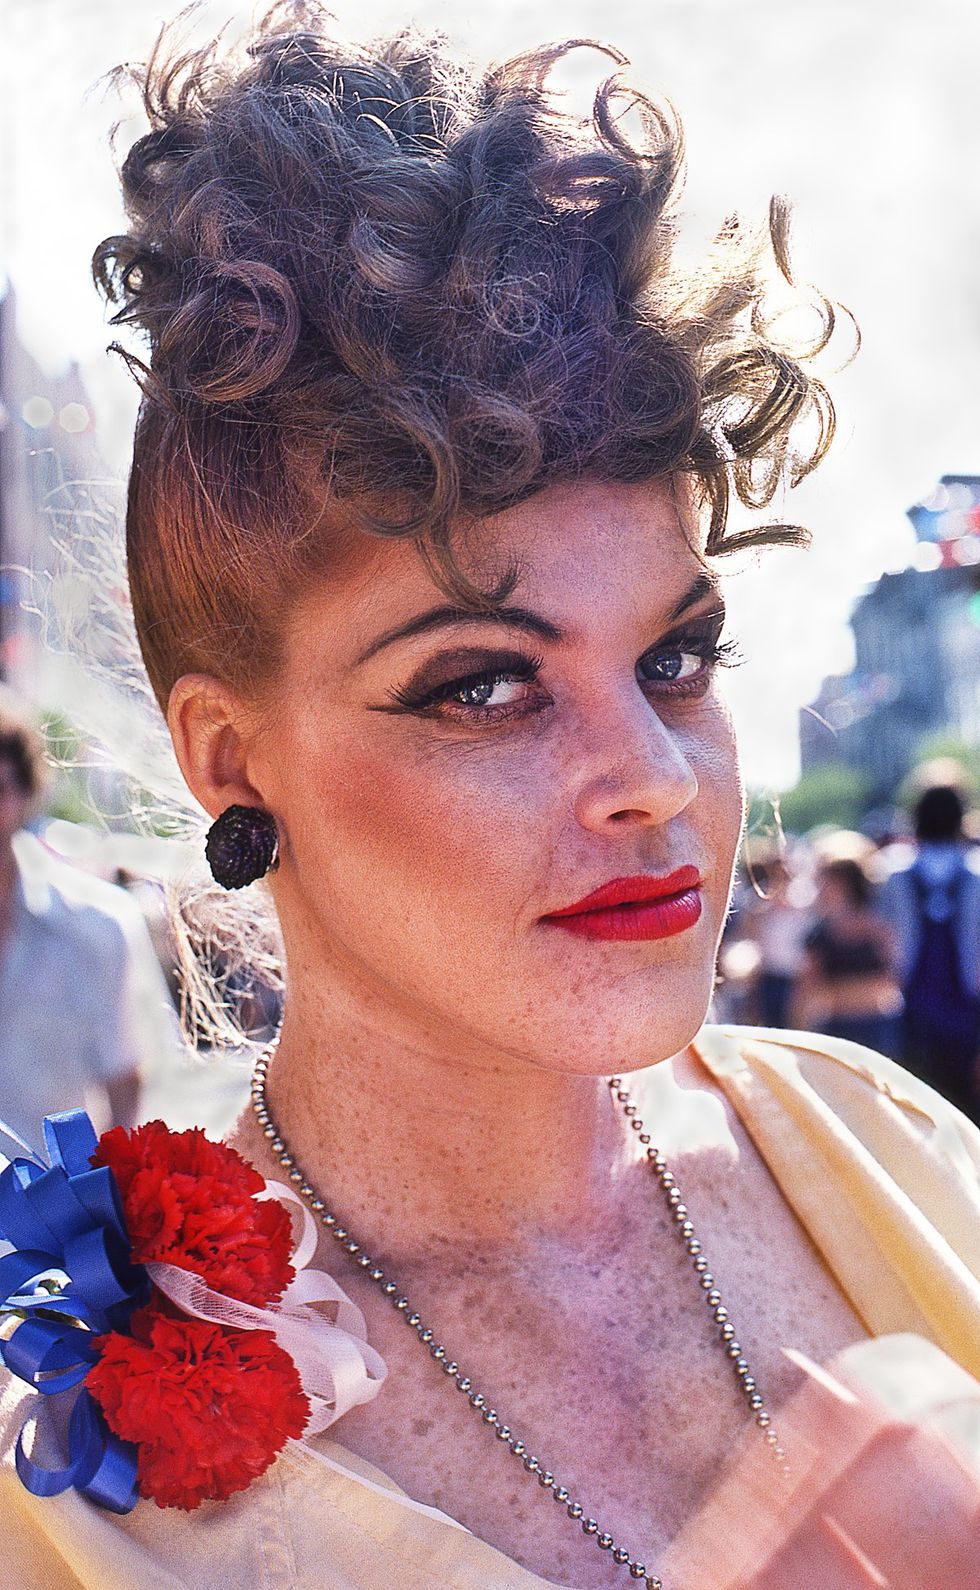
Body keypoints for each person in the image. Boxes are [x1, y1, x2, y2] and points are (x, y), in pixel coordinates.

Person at [1, 10, 979, 1587]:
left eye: (678, 654)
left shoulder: (890, 1153)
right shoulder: (73, 1495)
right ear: (228, 757)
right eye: (484, 684)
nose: (654, 779)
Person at [0, 689, 154, 1146]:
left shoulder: (98, 925)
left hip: (54, 1207)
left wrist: (107, 1198)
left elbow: (127, 1082)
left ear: (26, 793)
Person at [879, 782, 980, 1121]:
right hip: (966, 999)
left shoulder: (895, 874)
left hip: (914, 996)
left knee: (921, 1099)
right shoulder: (975, 873)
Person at [791, 855, 903, 1056]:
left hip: (876, 1031)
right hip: (836, 1032)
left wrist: (835, 993)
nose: (822, 889)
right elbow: (806, 990)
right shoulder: (818, 935)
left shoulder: (879, 929)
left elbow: (891, 983)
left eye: (828, 882)